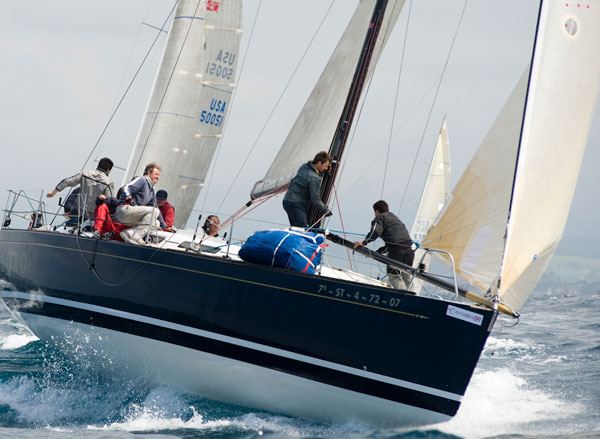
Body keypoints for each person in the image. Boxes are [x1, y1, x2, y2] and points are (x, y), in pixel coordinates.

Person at [353, 200, 415, 290]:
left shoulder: (380, 218)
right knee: (407, 275)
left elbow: (375, 232)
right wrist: (377, 253)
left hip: (397, 251)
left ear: (377, 211)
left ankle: (406, 296)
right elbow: (394, 243)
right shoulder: (395, 219)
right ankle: (413, 295)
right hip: (409, 250)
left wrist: (363, 243)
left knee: (393, 276)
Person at [115, 162, 167, 245]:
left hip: (132, 215)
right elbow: (126, 188)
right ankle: (135, 236)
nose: (158, 177)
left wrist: (164, 226)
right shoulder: (142, 180)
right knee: (154, 211)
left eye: (159, 175)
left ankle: (130, 233)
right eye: (156, 174)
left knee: (156, 223)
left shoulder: (151, 191)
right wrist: (130, 199)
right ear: (148, 173)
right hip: (125, 210)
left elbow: (155, 207)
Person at [47, 157, 114, 220]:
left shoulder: (85, 173)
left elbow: (68, 181)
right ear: (108, 170)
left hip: (80, 212)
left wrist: (53, 192)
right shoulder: (109, 182)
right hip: (95, 216)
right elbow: (110, 201)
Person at [282, 151, 333, 228]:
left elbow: (313, 172)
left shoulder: (305, 166)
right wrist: (325, 210)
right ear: (319, 163)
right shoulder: (313, 178)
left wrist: (323, 172)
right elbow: (315, 199)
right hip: (296, 204)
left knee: (296, 228)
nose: (326, 168)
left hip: (288, 201)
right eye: (325, 166)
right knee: (302, 228)